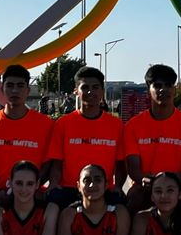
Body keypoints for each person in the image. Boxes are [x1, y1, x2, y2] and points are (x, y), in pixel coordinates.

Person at [123, 64, 181, 210]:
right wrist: (149, 181)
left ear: (175, 90)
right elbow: (134, 170)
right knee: (134, 195)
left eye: (168, 85)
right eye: (157, 85)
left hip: (177, 186)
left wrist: (168, 183)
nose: (163, 90)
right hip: (147, 187)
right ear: (149, 90)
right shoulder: (133, 126)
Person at [44, 66, 125, 206]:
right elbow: (57, 162)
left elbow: (120, 164)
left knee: (122, 207)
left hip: (102, 189)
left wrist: (118, 186)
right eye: (85, 87)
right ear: (76, 91)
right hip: (70, 188)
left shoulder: (116, 125)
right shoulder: (63, 124)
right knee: (52, 203)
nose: (90, 92)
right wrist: (53, 183)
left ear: (102, 91)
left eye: (95, 87)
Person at [0, 64, 54, 206]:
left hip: (31, 196)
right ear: (2, 89)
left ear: (28, 90)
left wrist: (30, 190)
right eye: (10, 85)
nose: (15, 90)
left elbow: (48, 165)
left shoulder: (46, 125)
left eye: (20, 86)